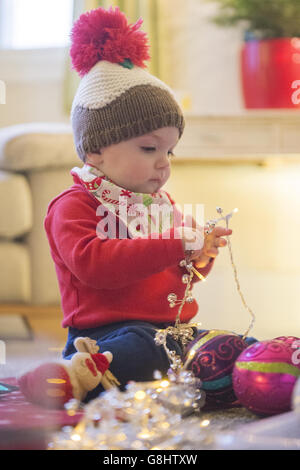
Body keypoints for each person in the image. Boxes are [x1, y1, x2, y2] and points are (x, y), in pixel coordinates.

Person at [44, 6, 232, 401]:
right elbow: (96, 265)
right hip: (105, 336)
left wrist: (199, 257)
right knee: (146, 349)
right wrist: (178, 243)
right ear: (95, 149)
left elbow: (173, 271)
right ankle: (79, 375)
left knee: (221, 347)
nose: (163, 163)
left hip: (170, 330)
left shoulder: (159, 204)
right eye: (149, 148)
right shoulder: (73, 205)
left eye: (170, 152)